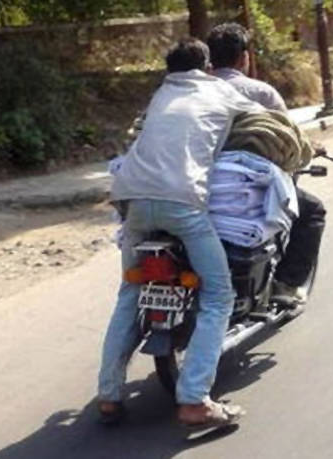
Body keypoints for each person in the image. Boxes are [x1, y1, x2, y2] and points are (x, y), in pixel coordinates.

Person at [97, 38, 263, 428]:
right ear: (207, 68)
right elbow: (267, 122)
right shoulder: (220, 90)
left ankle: (108, 395)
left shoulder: (160, 95)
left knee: (130, 293)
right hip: (182, 203)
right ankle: (194, 400)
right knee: (218, 295)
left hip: (132, 200)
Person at [207, 23, 327, 304]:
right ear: (244, 58)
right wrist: (311, 149)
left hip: (195, 183)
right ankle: (287, 285)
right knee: (312, 211)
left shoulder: (194, 94)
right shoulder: (261, 93)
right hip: (247, 185)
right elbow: (288, 138)